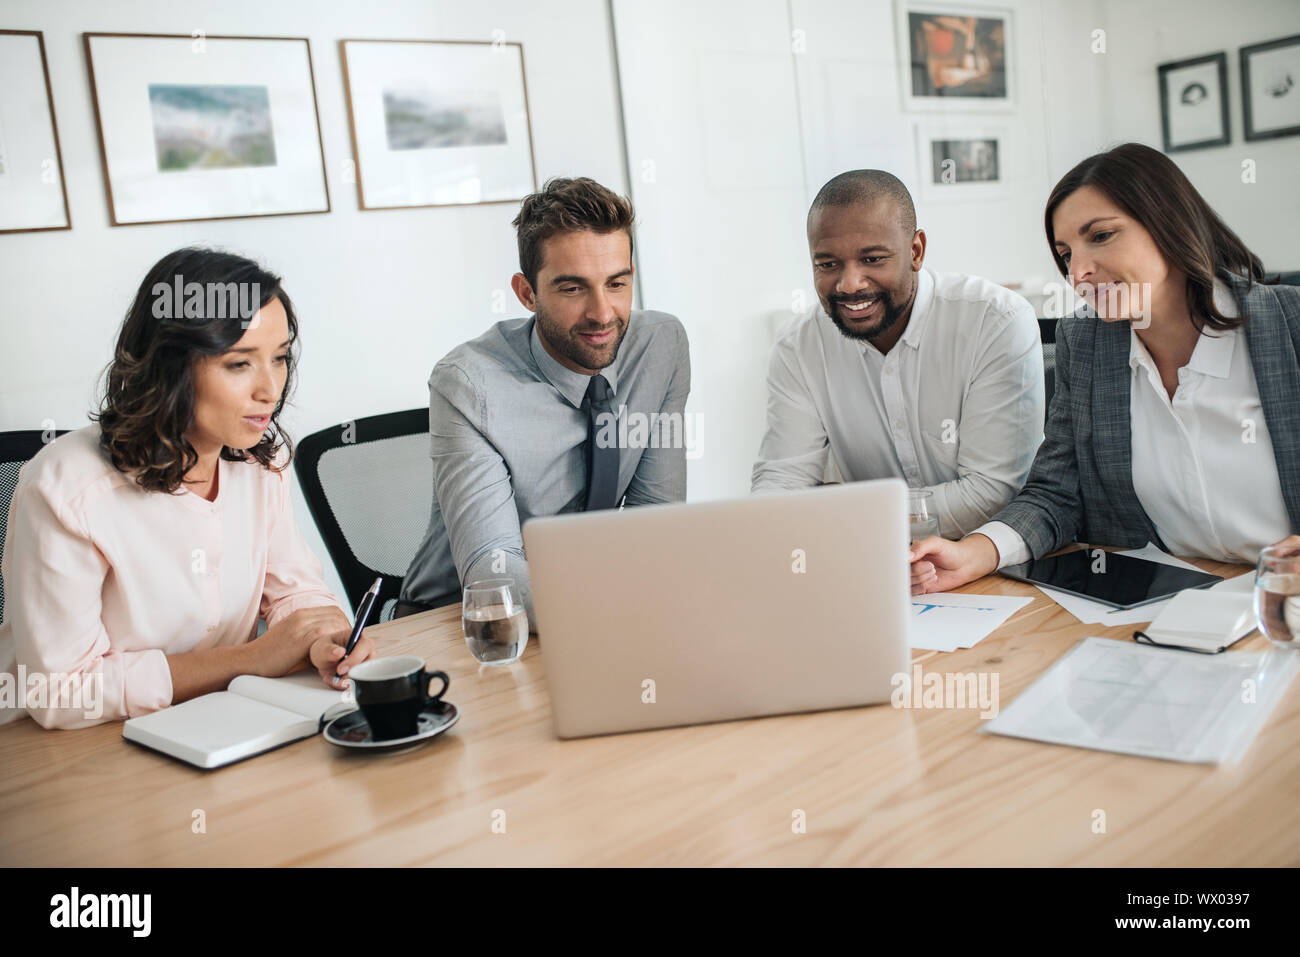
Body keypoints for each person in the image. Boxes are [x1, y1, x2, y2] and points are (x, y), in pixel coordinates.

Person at [0, 248, 374, 729]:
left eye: (279, 359)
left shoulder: (261, 461)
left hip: (211, 722)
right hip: (65, 750)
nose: (270, 389)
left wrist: (325, 635)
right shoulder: (68, 486)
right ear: (172, 366)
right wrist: (252, 659)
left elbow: (295, 593)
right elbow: (62, 693)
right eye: (240, 364)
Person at [910, 143, 1300, 594]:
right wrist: (972, 553)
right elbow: (1055, 494)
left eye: (1100, 236)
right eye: (1066, 254)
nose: (1080, 274)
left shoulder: (1290, 328)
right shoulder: (1088, 343)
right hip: (1168, 609)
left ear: (1169, 223)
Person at [398, 177, 691, 625]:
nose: (602, 313)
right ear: (526, 294)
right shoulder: (468, 385)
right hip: (456, 623)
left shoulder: (661, 346)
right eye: (572, 289)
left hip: (590, 613)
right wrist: (622, 608)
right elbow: (492, 575)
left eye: (617, 284)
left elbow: (656, 523)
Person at [752, 169, 1045, 539]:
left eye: (872, 259)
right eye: (828, 264)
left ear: (916, 251)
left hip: (997, 563)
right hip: (881, 564)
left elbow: (992, 496)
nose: (850, 284)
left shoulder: (995, 321)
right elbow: (780, 486)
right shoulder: (798, 347)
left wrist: (848, 510)